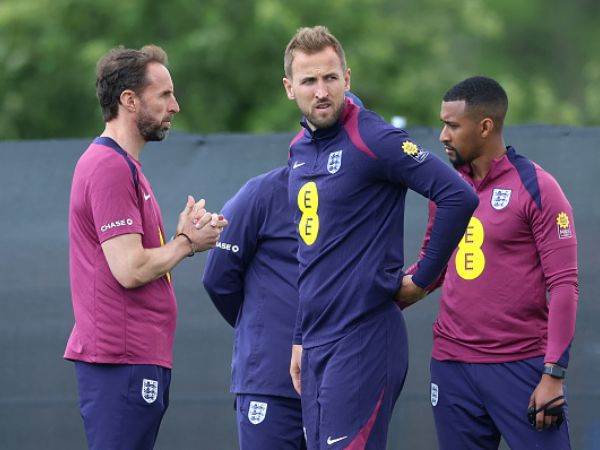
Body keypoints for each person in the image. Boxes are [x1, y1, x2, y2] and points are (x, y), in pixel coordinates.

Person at [283, 26, 479, 449]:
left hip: (364, 338)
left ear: (347, 78)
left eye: (331, 78)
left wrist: (422, 279)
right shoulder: (299, 148)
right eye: (309, 81)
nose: (322, 91)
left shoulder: (373, 136)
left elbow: (457, 195)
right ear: (289, 88)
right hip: (316, 343)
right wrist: (300, 336)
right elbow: (310, 254)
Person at [64, 44, 227, 450]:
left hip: (133, 359)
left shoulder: (125, 166)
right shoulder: (109, 167)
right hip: (121, 360)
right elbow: (131, 268)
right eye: (164, 94)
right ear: (129, 100)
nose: (175, 106)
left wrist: (182, 238)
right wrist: (187, 243)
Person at [411, 76, 578, 449]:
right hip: (452, 367)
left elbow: (564, 284)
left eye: (453, 125)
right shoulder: (447, 190)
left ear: (485, 127)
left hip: (521, 367)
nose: (443, 136)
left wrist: (553, 372)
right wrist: (378, 295)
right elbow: (431, 268)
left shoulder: (538, 187)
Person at [203, 165, 306, 450]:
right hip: (270, 380)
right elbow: (218, 279)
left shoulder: (351, 194)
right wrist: (261, 326)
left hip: (337, 379)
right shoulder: (262, 192)